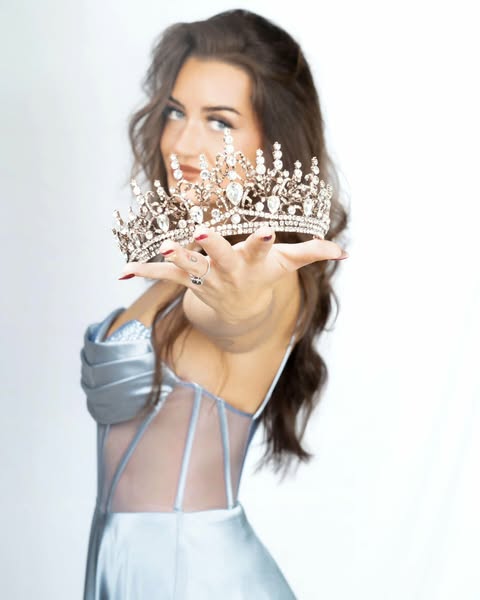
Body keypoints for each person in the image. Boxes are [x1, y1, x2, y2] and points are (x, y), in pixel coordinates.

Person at [80, 8, 349, 599]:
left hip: (198, 577)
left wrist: (238, 301)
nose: (182, 142)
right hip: (130, 569)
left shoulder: (262, 277)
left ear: (273, 141)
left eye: (220, 122)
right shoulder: (186, 261)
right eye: (177, 112)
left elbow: (237, 317)